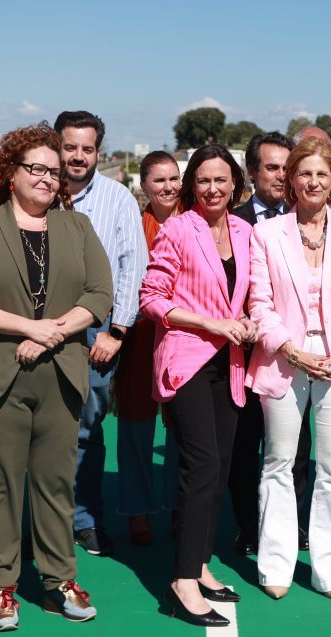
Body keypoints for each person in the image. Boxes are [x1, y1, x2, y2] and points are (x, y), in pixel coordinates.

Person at [0, 123, 113, 631]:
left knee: (55, 483)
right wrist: (31, 328)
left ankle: (60, 578)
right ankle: (2, 586)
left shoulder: (76, 227)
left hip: (60, 376)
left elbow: (99, 296)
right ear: (11, 174)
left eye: (53, 171)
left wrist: (52, 334)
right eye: (35, 169)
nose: (46, 178)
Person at [246, 138, 331, 602]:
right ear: (290, 182)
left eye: (323, 175)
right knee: (280, 462)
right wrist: (293, 352)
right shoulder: (266, 234)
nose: (314, 182)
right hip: (284, 359)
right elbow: (259, 303)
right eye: (304, 174)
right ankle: (275, 565)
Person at [140, 144, 255, 628]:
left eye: (221, 180)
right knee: (201, 464)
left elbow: (244, 297)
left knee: (222, 464)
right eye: (203, 180)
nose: (212, 188)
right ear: (194, 185)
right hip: (186, 359)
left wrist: (245, 320)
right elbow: (152, 298)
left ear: (235, 185)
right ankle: (183, 580)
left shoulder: (246, 232)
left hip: (227, 362)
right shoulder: (178, 228)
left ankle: (201, 563)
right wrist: (212, 323)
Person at [52, 111, 149, 557]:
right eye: (70, 147)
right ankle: (43, 520)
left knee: (88, 427)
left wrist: (118, 331)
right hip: (40, 329)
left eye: (87, 148)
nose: (78, 156)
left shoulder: (117, 199)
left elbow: (133, 267)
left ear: (98, 152)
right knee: (40, 428)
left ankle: (85, 518)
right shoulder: (36, 194)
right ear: (57, 146)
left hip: (96, 332)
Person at [228, 131, 311, 556]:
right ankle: (248, 527)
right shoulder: (231, 220)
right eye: (272, 167)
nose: (282, 176)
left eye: (286, 167)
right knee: (245, 448)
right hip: (243, 354)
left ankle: (292, 525)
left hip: (294, 358)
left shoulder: (310, 220)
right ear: (252, 172)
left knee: (295, 449)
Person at [112, 151, 183, 544]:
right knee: (136, 427)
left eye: (173, 178)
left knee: (180, 430)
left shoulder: (197, 222)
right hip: (141, 337)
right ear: (144, 186)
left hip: (184, 338)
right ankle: (137, 509)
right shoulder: (136, 226)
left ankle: (177, 507)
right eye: (159, 180)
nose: (168, 187)